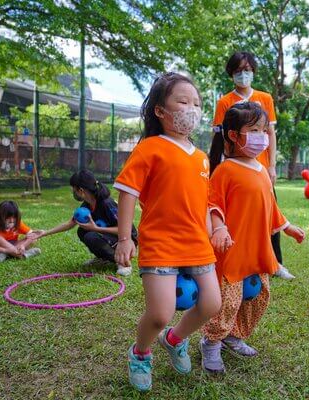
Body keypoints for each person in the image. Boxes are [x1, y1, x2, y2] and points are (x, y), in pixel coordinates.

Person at [113, 72, 221, 391]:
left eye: (197, 103)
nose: (192, 109)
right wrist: (123, 238)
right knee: (160, 313)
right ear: (160, 111)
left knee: (212, 304)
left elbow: (202, 204)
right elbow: (127, 191)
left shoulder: (202, 158)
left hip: (197, 244)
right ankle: (141, 353)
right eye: (183, 101)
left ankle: (175, 339)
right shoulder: (150, 148)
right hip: (160, 243)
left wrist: (212, 232)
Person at [200, 102, 306, 373]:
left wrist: (288, 227)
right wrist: (220, 228)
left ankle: (234, 336)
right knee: (229, 300)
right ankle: (211, 343)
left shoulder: (260, 170)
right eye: (254, 130)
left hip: (258, 251)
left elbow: (270, 206)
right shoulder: (224, 170)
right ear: (234, 135)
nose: (262, 136)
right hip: (233, 251)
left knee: (259, 297)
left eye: (263, 130)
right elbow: (213, 205)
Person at [213, 51, 293, 280]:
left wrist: (272, 165)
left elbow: (271, 133)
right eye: (238, 70)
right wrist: (218, 163)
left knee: (268, 213)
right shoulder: (224, 102)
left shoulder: (264, 98)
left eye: (247, 70)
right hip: (236, 167)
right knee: (235, 217)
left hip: (261, 169)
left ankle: (275, 262)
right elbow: (219, 136)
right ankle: (235, 259)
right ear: (231, 74)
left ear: (254, 72)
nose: (243, 75)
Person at [35, 170, 137, 276]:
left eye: (74, 190)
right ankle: (103, 258)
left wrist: (96, 228)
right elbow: (70, 223)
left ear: (81, 190)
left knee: (91, 236)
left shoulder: (106, 203)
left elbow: (125, 230)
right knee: (82, 231)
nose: (73, 193)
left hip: (127, 239)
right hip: (110, 237)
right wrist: (44, 233)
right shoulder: (86, 205)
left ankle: (123, 262)